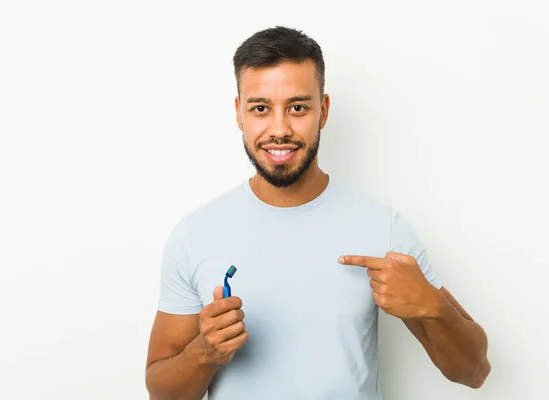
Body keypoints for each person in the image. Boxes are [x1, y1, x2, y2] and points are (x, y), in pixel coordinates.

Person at [145, 26, 491, 400]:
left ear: (323, 111)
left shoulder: (382, 230)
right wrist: (204, 353)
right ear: (239, 113)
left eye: (297, 107)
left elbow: (474, 372)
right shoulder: (196, 234)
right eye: (260, 108)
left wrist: (433, 306)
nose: (279, 129)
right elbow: (160, 393)